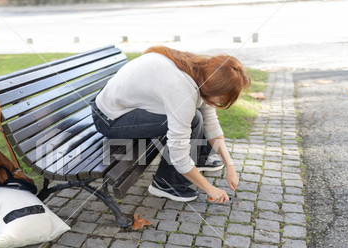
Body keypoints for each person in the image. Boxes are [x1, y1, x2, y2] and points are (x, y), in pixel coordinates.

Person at [91, 46, 250, 203]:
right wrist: (210, 189)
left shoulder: (202, 73)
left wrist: (230, 167)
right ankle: (167, 183)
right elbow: (178, 154)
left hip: (122, 106)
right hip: (108, 118)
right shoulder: (181, 89)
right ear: (216, 88)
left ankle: (198, 159)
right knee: (193, 119)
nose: (222, 102)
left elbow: (211, 124)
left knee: (198, 115)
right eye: (223, 99)